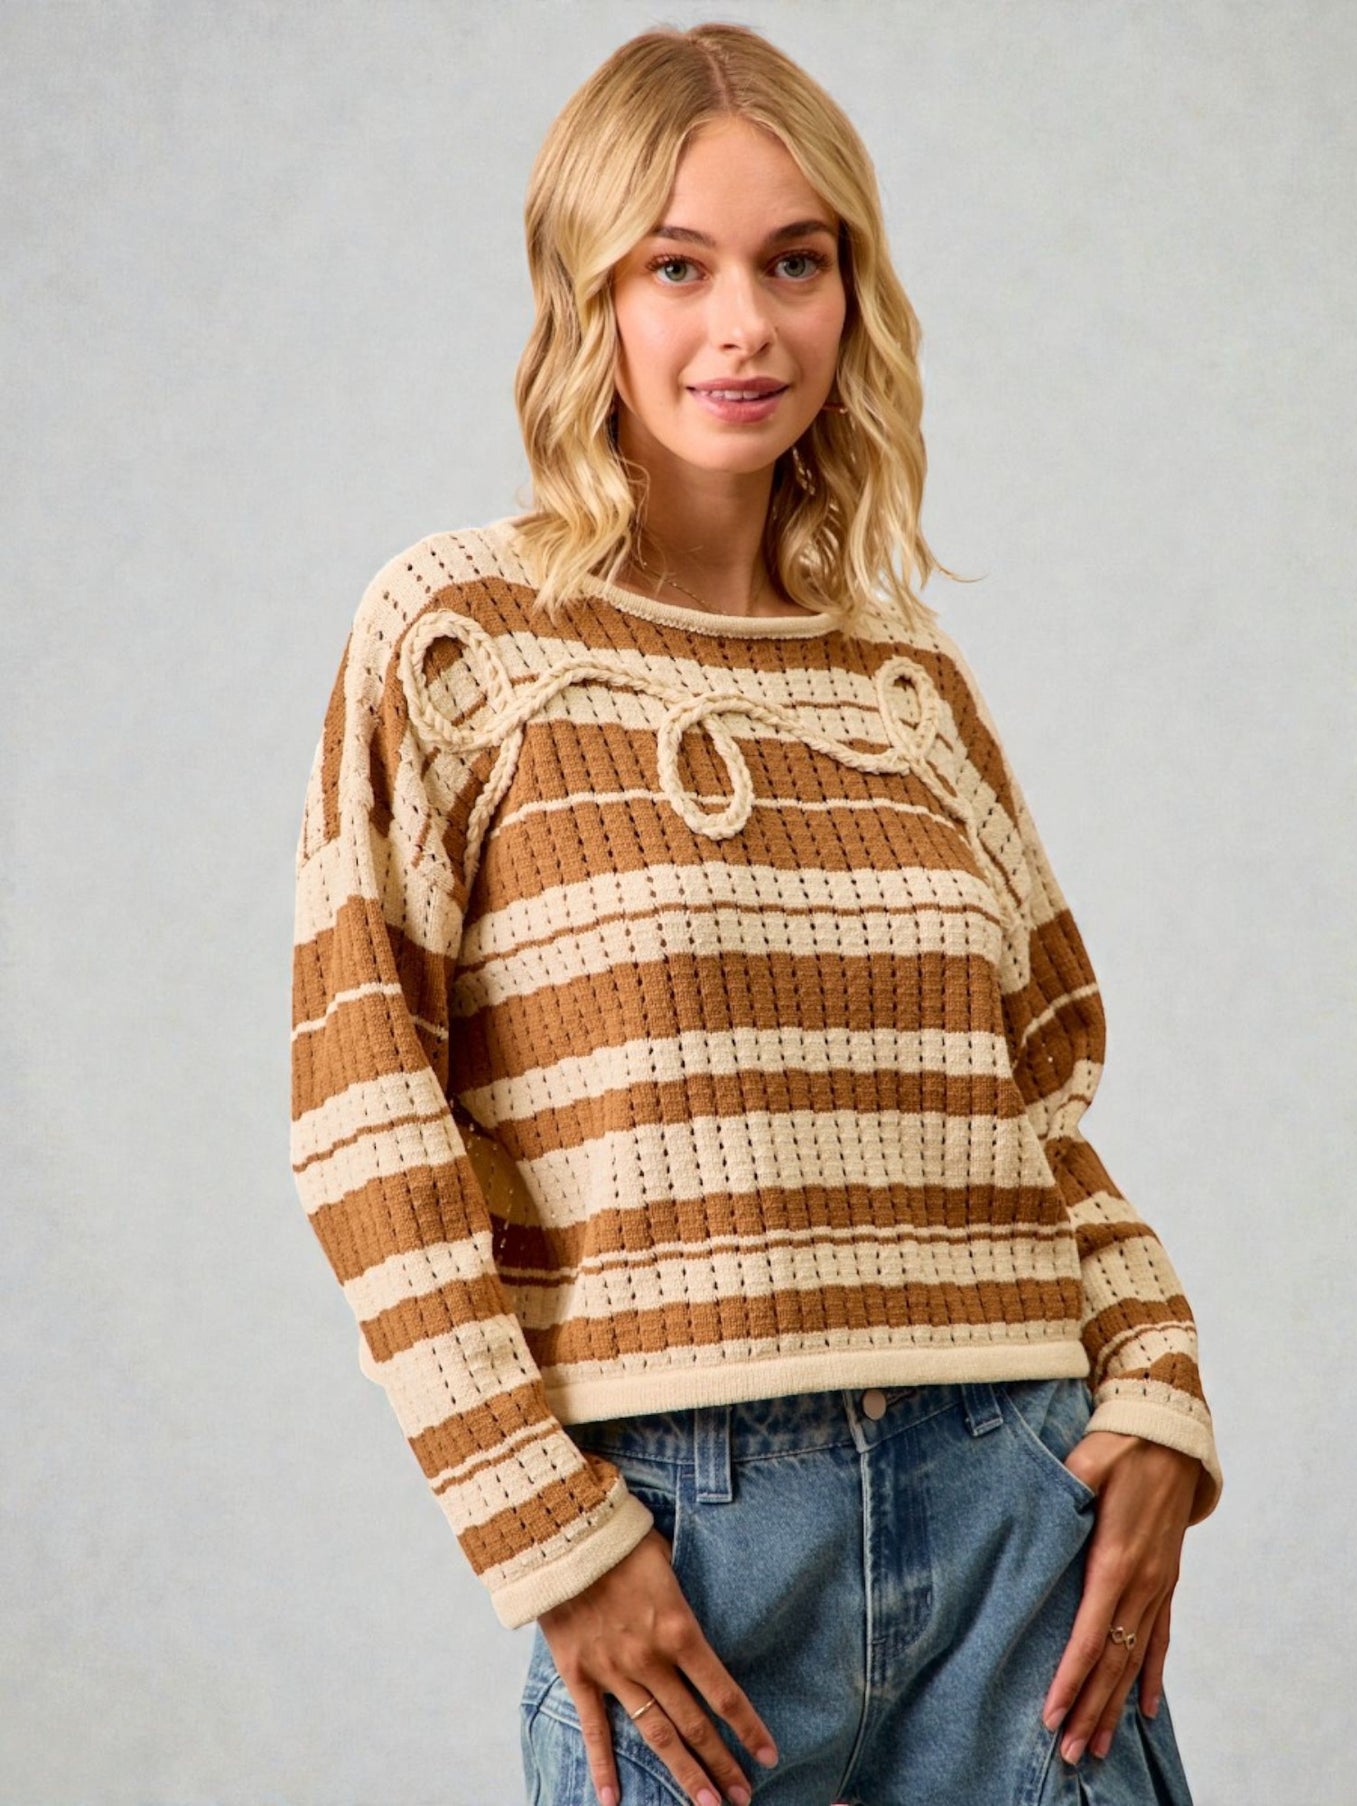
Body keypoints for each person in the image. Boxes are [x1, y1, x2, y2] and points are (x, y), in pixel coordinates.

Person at [288, 21, 1222, 1806]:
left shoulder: (901, 682)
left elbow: (1042, 1110)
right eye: (676, 266)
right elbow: (364, 1118)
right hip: (690, 1560)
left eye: (796, 262)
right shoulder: (457, 639)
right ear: (588, 293)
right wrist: (547, 1526)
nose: (746, 327)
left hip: (1021, 1532)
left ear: (850, 292)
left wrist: (1160, 1395)